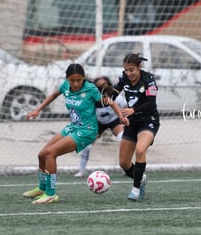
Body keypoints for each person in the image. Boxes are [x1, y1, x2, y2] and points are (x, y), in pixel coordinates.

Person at [22, 63, 129, 204]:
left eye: (79, 80)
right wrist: (37, 110)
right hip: (73, 127)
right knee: (42, 154)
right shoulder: (65, 86)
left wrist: (121, 117)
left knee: (50, 153)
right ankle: (42, 188)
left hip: (87, 131)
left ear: (83, 78)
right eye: (72, 80)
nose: (76, 83)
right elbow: (54, 95)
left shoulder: (90, 89)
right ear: (67, 79)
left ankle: (51, 194)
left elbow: (110, 102)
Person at [111, 53, 160, 201]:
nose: (128, 73)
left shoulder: (148, 79)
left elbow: (151, 103)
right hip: (132, 123)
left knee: (140, 150)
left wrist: (133, 110)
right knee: (124, 163)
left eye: (131, 70)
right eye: (126, 70)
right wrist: (103, 94)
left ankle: (136, 188)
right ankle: (140, 178)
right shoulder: (124, 78)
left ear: (139, 67)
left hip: (148, 120)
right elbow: (112, 95)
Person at [73, 76, 127, 178]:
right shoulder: (92, 99)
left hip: (115, 121)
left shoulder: (117, 98)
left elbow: (125, 109)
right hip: (97, 123)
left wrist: (125, 119)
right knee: (87, 145)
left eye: (105, 85)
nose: (103, 89)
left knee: (124, 139)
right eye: (100, 86)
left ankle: (126, 167)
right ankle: (82, 170)